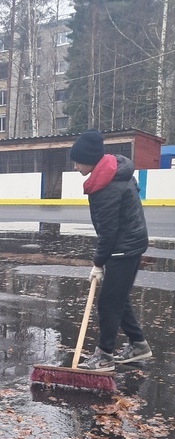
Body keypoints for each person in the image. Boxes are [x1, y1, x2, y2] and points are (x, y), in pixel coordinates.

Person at [69, 129, 151, 372]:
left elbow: (108, 232)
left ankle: (104, 355)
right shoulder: (115, 173)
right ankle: (138, 344)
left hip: (122, 249)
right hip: (131, 244)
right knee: (118, 297)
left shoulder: (106, 187)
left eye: (78, 161)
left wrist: (98, 263)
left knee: (108, 303)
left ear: (89, 160)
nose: (75, 166)